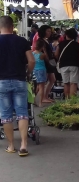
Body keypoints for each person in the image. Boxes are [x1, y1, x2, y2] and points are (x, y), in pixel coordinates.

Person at [0, 16, 35, 156]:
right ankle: (24, 145)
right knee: (22, 113)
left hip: (1, 82)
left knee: (6, 115)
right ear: (12, 26)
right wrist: (27, 73)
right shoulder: (22, 41)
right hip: (20, 81)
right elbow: (31, 61)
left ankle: (10, 146)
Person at [55, 28, 79, 98]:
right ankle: (72, 102)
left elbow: (56, 55)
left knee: (66, 83)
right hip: (75, 65)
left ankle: (67, 101)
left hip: (63, 65)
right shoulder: (77, 45)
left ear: (66, 35)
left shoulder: (60, 44)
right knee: (73, 83)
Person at [37, 25, 57, 102]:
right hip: (45, 63)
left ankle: (44, 96)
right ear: (43, 31)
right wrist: (48, 60)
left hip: (47, 63)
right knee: (44, 81)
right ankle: (42, 98)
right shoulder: (41, 41)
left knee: (51, 80)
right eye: (48, 31)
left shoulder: (45, 40)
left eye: (50, 31)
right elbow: (44, 52)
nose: (49, 32)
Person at [32, 40, 48, 107]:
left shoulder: (32, 53)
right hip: (42, 70)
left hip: (34, 70)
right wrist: (45, 51)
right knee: (42, 87)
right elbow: (47, 60)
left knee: (37, 86)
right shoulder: (42, 55)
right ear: (42, 46)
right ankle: (40, 103)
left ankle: (34, 100)